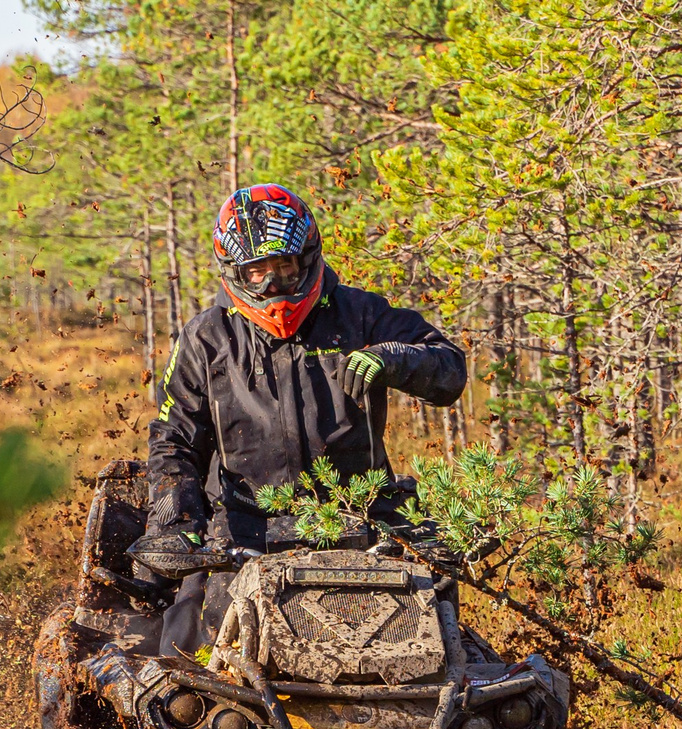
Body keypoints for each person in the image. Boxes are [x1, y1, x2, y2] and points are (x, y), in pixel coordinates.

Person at [141, 184, 466, 555]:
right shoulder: (207, 337)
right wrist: (176, 524)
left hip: (362, 518)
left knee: (434, 599)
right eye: (257, 271)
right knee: (186, 611)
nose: (273, 282)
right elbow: (175, 438)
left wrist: (390, 358)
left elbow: (450, 370)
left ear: (307, 259)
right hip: (246, 528)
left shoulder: (360, 312)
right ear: (236, 273)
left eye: (284, 266)